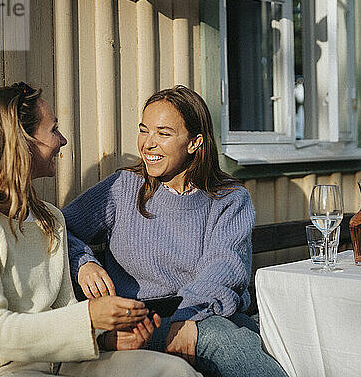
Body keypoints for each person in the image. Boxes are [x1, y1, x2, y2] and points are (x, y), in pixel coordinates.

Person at [0, 82, 201, 377]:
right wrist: (89, 317)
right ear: (23, 141)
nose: (63, 140)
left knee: (172, 371)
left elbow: (63, 311)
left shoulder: (50, 218)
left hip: (62, 364)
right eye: (53, 130)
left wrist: (107, 338)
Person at [62, 85, 288, 377]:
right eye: (144, 130)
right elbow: (58, 229)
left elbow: (222, 273)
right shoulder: (123, 188)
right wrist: (84, 262)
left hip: (204, 316)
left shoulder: (228, 199)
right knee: (222, 338)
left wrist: (183, 325)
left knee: (223, 333)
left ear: (194, 143)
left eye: (163, 134)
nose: (148, 144)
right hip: (140, 326)